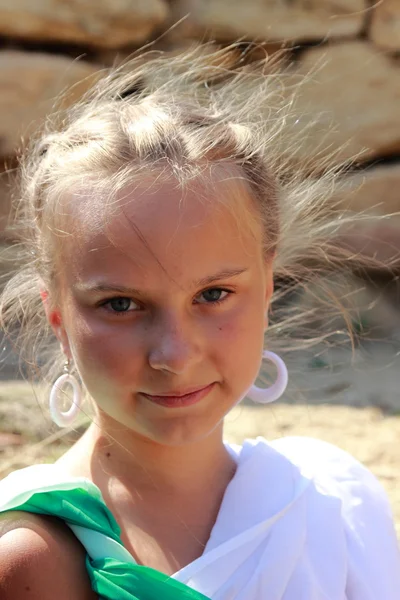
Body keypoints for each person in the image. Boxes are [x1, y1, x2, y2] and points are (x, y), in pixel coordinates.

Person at [0, 44, 399, 600]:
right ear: (57, 316)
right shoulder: (32, 561)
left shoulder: (336, 502)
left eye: (213, 294)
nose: (175, 354)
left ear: (268, 287)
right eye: (120, 304)